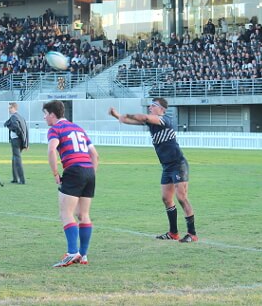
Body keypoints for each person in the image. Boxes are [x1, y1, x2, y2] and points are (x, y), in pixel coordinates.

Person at [109, 97, 198, 243]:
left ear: (161, 109)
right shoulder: (151, 123)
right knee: (166, 199)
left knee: (181, 198)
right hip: (167, 167)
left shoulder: (165, 119)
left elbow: (143, 117)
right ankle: (173, 233)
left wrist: (129, 114)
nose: (150, 107)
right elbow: (126, 120)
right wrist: (116, 115)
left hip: (178, 164)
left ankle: (192, 233)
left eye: (153, 105)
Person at [44, 100, 98, 267]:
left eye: (45, 114)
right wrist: (89, 174)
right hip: (89, 170)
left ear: (52, 115)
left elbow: (52, 150)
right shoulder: (78, 128)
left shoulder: (55, 129)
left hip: (73, 169)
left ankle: (72, 252)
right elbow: (95, 155)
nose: (44, 118)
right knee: (83, 214)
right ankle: (83, 254)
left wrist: (55, 173)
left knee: (66, 212)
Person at [4, 102, 29, 184]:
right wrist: (26, 143)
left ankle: (21, 180)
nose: (8, 110)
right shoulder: (20, 117)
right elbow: (26, 130)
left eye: (10, 108)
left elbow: (16, 127)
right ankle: (15, 178)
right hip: (20, 140)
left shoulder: (14, 117)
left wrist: (9, 126)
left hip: (16, 140)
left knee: (17, 159)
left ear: (13, 108)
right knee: (14, 159)